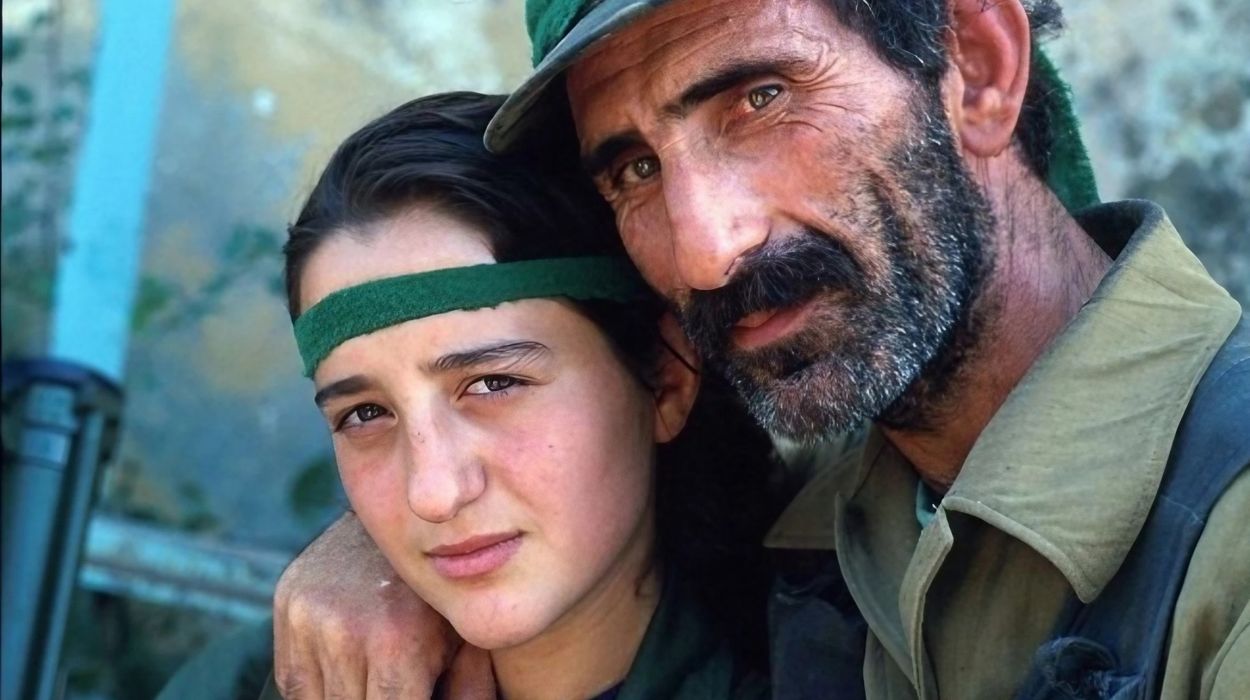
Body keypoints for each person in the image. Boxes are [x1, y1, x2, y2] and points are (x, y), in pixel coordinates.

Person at [273, 1, 1250, 698]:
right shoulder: (832, 496)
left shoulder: (1224, 544)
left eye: (760, 98)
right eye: (633, 167)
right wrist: (392, 546)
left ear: (977, 68)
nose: (702, 248)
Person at [243, 90, 781, 700]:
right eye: (365, 414)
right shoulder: (263, 680)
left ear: (665, 378)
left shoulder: (847, 662)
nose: (435, 493)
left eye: (493, 383)